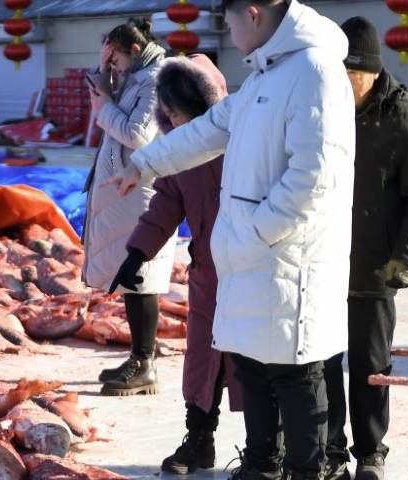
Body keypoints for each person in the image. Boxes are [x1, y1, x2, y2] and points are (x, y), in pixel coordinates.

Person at [103, 0, 355, 478]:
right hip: (248, 263)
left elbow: (313, 180)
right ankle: (259, 465)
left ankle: (309, 471)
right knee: (253, 369)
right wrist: (145, 163)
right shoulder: (264, 74)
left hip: (286, 262)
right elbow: (212, 128)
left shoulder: (315, 71)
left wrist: (253, 233)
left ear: (252, 13)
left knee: (293, 376)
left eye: (228, 21)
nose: (228, 34)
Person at [110, 53, 244, 475]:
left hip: (250, 274)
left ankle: (267, 450)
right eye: (166, 115)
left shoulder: (243, 142)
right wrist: (137, 253)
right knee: (202, 363)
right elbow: (164, 206)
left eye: (178, 113)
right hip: (207, 276)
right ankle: (199, 441)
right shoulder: (176, 157)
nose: (173, 122)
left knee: (254, 367)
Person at [322, 17, 408, 480]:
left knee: (370, 365)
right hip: (322, 261)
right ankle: (330, 451)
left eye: (354, 75)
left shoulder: (406, 118)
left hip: (375, 264)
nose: (346, 84)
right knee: (321, 362)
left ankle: (371, 452)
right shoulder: (324, 110)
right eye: (340, 74)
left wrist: (407, 257)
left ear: (373, 72)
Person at [83, 19, 175, 396]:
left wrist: (105, 106)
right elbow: (110, 112)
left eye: (116, 59)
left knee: (143, 278)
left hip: (142, 190)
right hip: (126, 190)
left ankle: (145, 363)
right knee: (131, 278)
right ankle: (138, 357)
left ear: (135, 51)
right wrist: (101, 71)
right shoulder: (136, 78)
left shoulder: (155, 81)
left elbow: (138, 135)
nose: (115, 67)